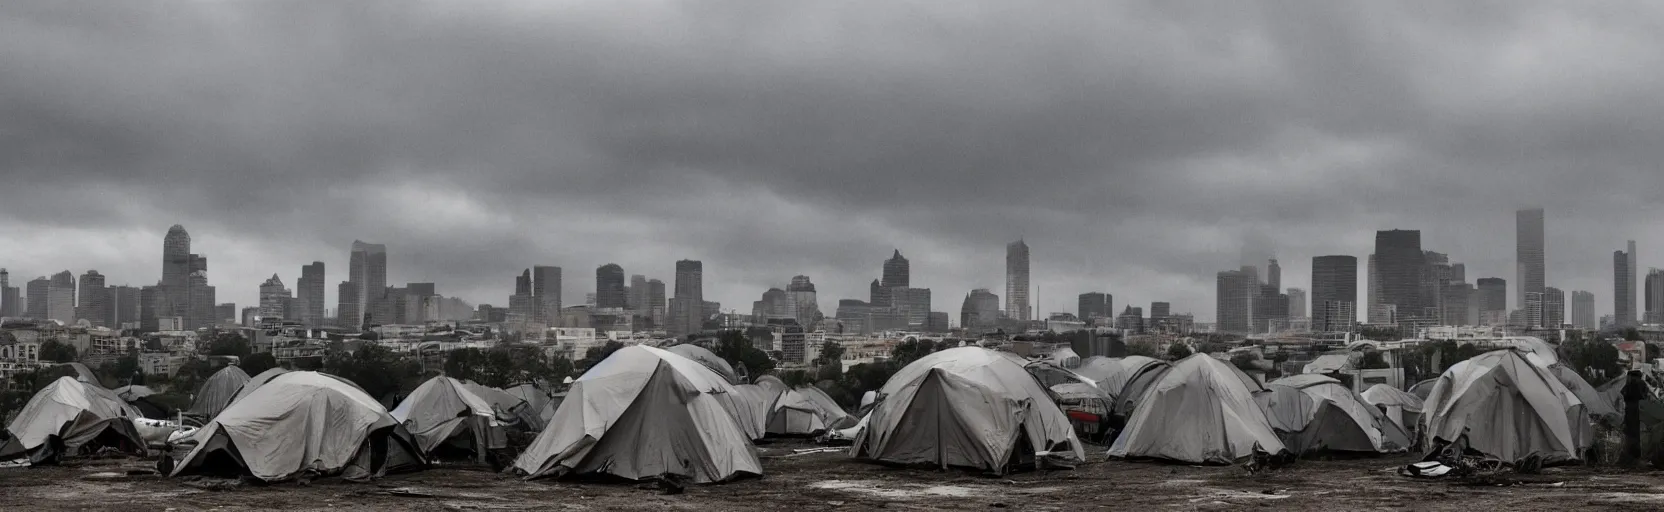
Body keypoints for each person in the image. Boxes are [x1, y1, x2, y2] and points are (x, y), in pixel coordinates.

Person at [1622, 369, 1648, 467]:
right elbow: (1645, 395)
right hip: (1638, 411)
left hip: (1633, 411)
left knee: (1632, 435)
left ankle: (1632, 458)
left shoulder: (1633, 384)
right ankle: (1635, 457)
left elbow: (1624, 394)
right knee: (1636, 435)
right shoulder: (1641, 384)